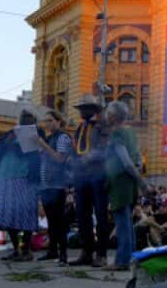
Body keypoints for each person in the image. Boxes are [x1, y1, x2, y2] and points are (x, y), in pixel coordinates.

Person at [102, 100, 146, 270]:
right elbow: (138, 160)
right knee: (127, 222)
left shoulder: (117, 134)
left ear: (113, 116)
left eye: (108, 112)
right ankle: (132, 259)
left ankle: (121, 261)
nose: (106, 114)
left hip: (120, 183)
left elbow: (126, 163)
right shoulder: (131, 133)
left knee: (122, 223)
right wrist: (138, 179)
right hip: (129, 183)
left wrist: (142, 183)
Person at [0, 111, 42, 262]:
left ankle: (26, 250)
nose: (25, 120)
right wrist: (11, 138)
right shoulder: (11, 132)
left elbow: (33, 152)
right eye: (24, 118)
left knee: (26, 213)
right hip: (6, 177)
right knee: (9, 214)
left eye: (29, 118)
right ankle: (16, 249)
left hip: (25, 177)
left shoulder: (37, 132)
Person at [71, 95, 110, 267]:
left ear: (93, 109)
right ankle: (86, 251)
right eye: (80, 108)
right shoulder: (80, 128)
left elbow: (105, 148)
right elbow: (75, 149)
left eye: (83, 108)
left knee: (101, 215)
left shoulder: (103, 126)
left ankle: (101, 254)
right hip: (81, 176)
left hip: (98, 174)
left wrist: (89, 158)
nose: (80, 111)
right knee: (82, 215)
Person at [36, 109, 74, 263]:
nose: (48, 123)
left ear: (59, 121)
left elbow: (60, 158)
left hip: (57, 184)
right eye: (46, 121)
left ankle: (63, 253)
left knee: (59, 221)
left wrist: (43, 145)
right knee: (51, 221)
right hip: (46, 184)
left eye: (51, 120)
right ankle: (52, 250)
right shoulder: (49, 138)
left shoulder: (63, 137)